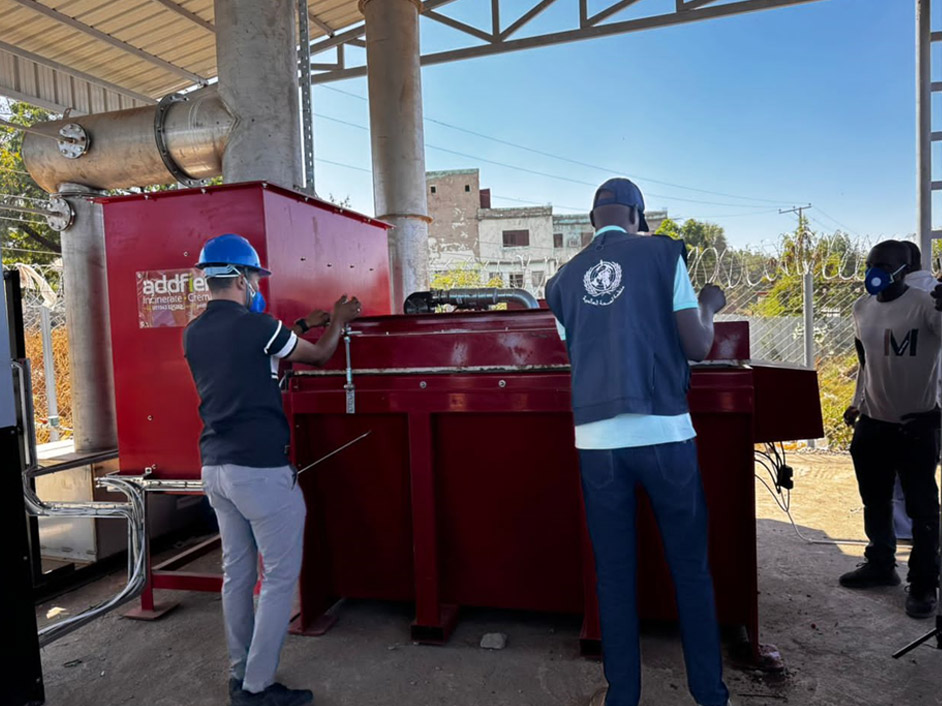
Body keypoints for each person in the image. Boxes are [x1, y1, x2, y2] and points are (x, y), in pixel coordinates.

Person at [545, 178, 731, 706]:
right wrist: (711, 303)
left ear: (592, 221)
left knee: (614, 575)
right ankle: (709, 696)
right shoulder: (663, 253)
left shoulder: (561, 281)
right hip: (664, 433)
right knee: (690, 569)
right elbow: (696, 345)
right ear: (637, 215)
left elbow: (582, 348)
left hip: (596, 443)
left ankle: (621, 696)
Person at [183, 233, 362, 706]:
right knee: (280, 576)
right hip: (259, 470)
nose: (256, 285)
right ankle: (259, 688)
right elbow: (319, 356)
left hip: (215, 469)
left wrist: (306, 323)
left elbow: (256, 354)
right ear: (241, 278)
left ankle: (239, 674)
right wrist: (338, 322)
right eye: (255, 278)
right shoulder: (257, 325)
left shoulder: (195, 331)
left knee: (237, 574)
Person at [841, 239, 940, 620]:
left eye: (884, 264)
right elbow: (865, 361)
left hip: (917, 425)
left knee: (923, 509)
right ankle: (881, 563)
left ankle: (924, 583)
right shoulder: (861, 309)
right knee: (875, 500)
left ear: (904, 269)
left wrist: (939, 414)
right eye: (870, 264)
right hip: (874, 423)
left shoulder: (926, 305)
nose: (874, 272)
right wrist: (857, 402)